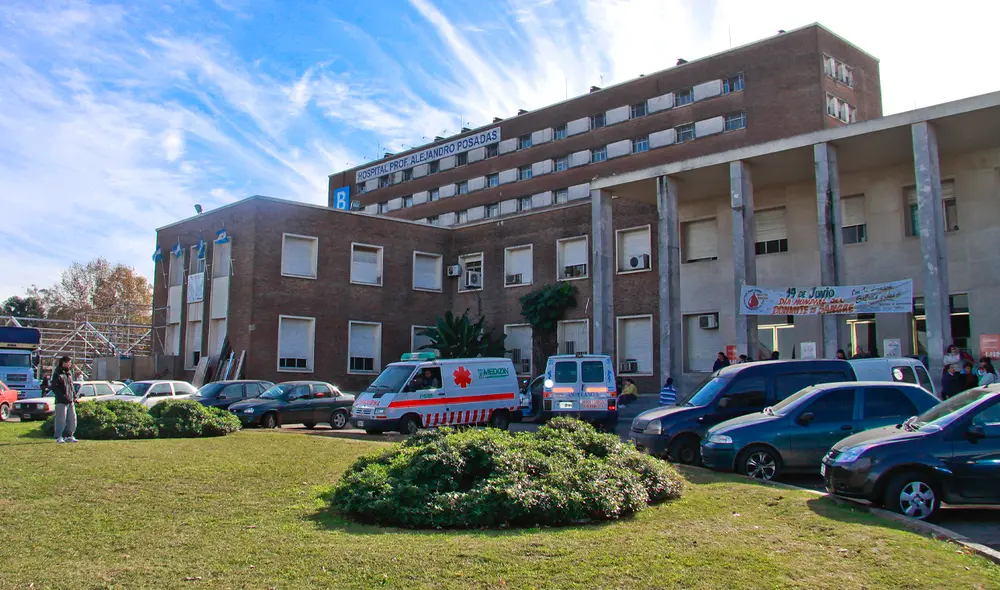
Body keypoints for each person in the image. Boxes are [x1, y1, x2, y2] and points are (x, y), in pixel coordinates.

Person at [50, 356, 79, 443]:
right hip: (61, 401)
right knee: (61, 419)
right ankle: (59, 436)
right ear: (63, 363)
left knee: (72, 419)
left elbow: (71, 386)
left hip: (70, 400)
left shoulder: (69, 373)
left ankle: (69, 436)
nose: (70, 364)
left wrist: (74, 397)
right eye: (68, 362)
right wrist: (62, 396)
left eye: (70, 362)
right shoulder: (57, 373)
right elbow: (54, 387)